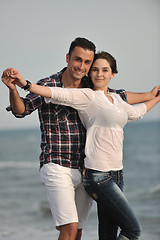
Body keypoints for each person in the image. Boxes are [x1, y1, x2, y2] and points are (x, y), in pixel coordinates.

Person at [1, 39, 160, 240]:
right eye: (78, 60)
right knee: (69, 227)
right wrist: (15, 88)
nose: (82, 66)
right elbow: (21, 110)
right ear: (68, 58)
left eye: (87, 62)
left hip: (84, 169)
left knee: (77, 232)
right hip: (56, 164)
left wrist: (150, 94)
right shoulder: (49, 84)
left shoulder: (90, 85)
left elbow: (119, 97)